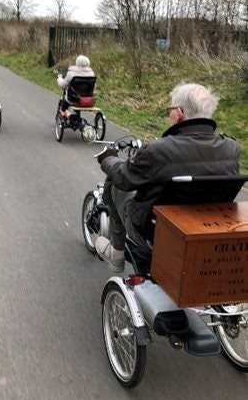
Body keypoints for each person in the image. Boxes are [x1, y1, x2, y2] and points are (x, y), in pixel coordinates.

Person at [95, 83, 241, 273]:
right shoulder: (231, 149)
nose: (169, 115)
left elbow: (124, 177)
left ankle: (116, 252)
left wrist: (108, 159)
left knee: (115, 183)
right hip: (203, 228)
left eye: (170, 110)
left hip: (154, 233)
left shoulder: (158, 150)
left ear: (179, 112)